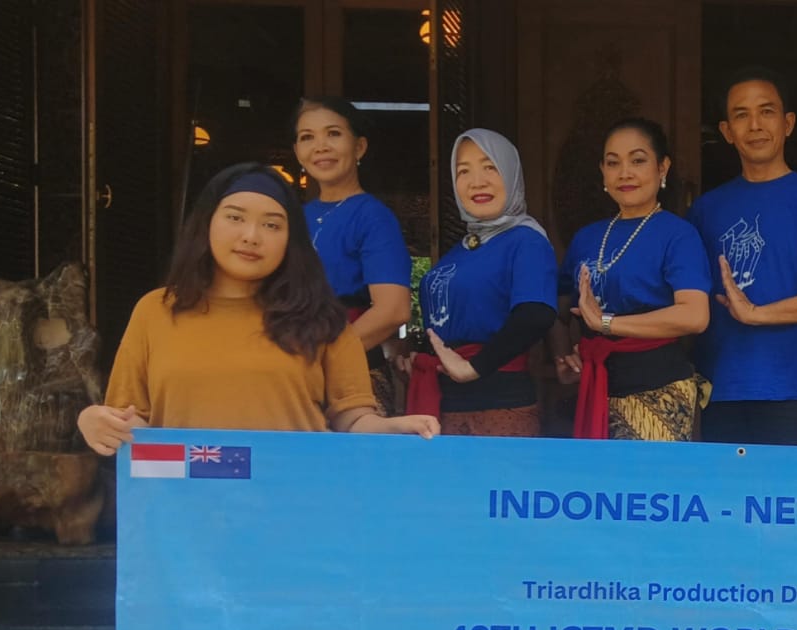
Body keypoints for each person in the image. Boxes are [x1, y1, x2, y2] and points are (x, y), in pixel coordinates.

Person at [76, 163, 438, 454]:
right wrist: (94, 421)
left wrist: (389, 427)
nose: (251, 236)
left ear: (290, 241)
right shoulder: (155, 311)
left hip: (292, 503)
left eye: (271, 225)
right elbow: (129, 421)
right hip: (184, 509)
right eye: (235, 218)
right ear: (206, 224)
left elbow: (352, 417)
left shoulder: (321, 317)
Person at [688, 66, 797, 446]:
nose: (755, 125)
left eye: (766, 111)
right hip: (720, 385)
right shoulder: (705, 210)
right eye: (741, 115)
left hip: (793, 387)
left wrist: (757, 314)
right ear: (727, 131)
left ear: (788, 123)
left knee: (790, 487)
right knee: (725, 487)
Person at [555, 117, 711, 440]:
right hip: (596, 385)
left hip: (657, 387)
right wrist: (565, 353)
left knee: (649, 475)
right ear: (603, 171)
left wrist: (607, 323)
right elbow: (560, 308)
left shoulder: (678, 235)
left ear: (662, 167)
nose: (624, 173)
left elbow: (695, 315)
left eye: (638, 160)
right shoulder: (586, 238)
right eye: (613, 163)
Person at [408, 129, 557, 437]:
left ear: (511, 173)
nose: (477, 181)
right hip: (444, 402)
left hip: (498, 406)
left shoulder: (526, 240)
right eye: (463, 171)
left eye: (490, 167)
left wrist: (473, 367)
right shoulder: (460, 250)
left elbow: (535, 314)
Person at [291, 96, 413, 415]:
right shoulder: (293, 218)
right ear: (297, 152)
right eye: (307, 137)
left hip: (351, 377)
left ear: (359, 147)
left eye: (333, 133)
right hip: (291, 373)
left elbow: (394, 309)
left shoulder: (372, 216)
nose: (320, 146)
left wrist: (323, 360)